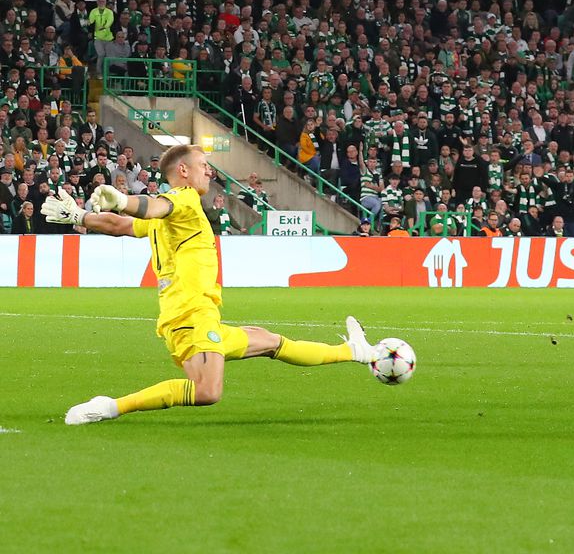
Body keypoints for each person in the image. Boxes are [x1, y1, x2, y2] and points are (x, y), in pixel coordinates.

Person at [40, 144, 380, 425]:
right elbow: (150, 207)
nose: (209, 172)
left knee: (271, 342)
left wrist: (80, 216)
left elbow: (121, 225)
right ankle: (111, 406)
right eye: (203, 165)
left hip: (193, 317)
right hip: (193, 315)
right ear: (183, 171)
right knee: (207, 391)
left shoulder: (172, 217)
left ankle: (354, 351)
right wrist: (124, 201)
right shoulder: (184, 198)